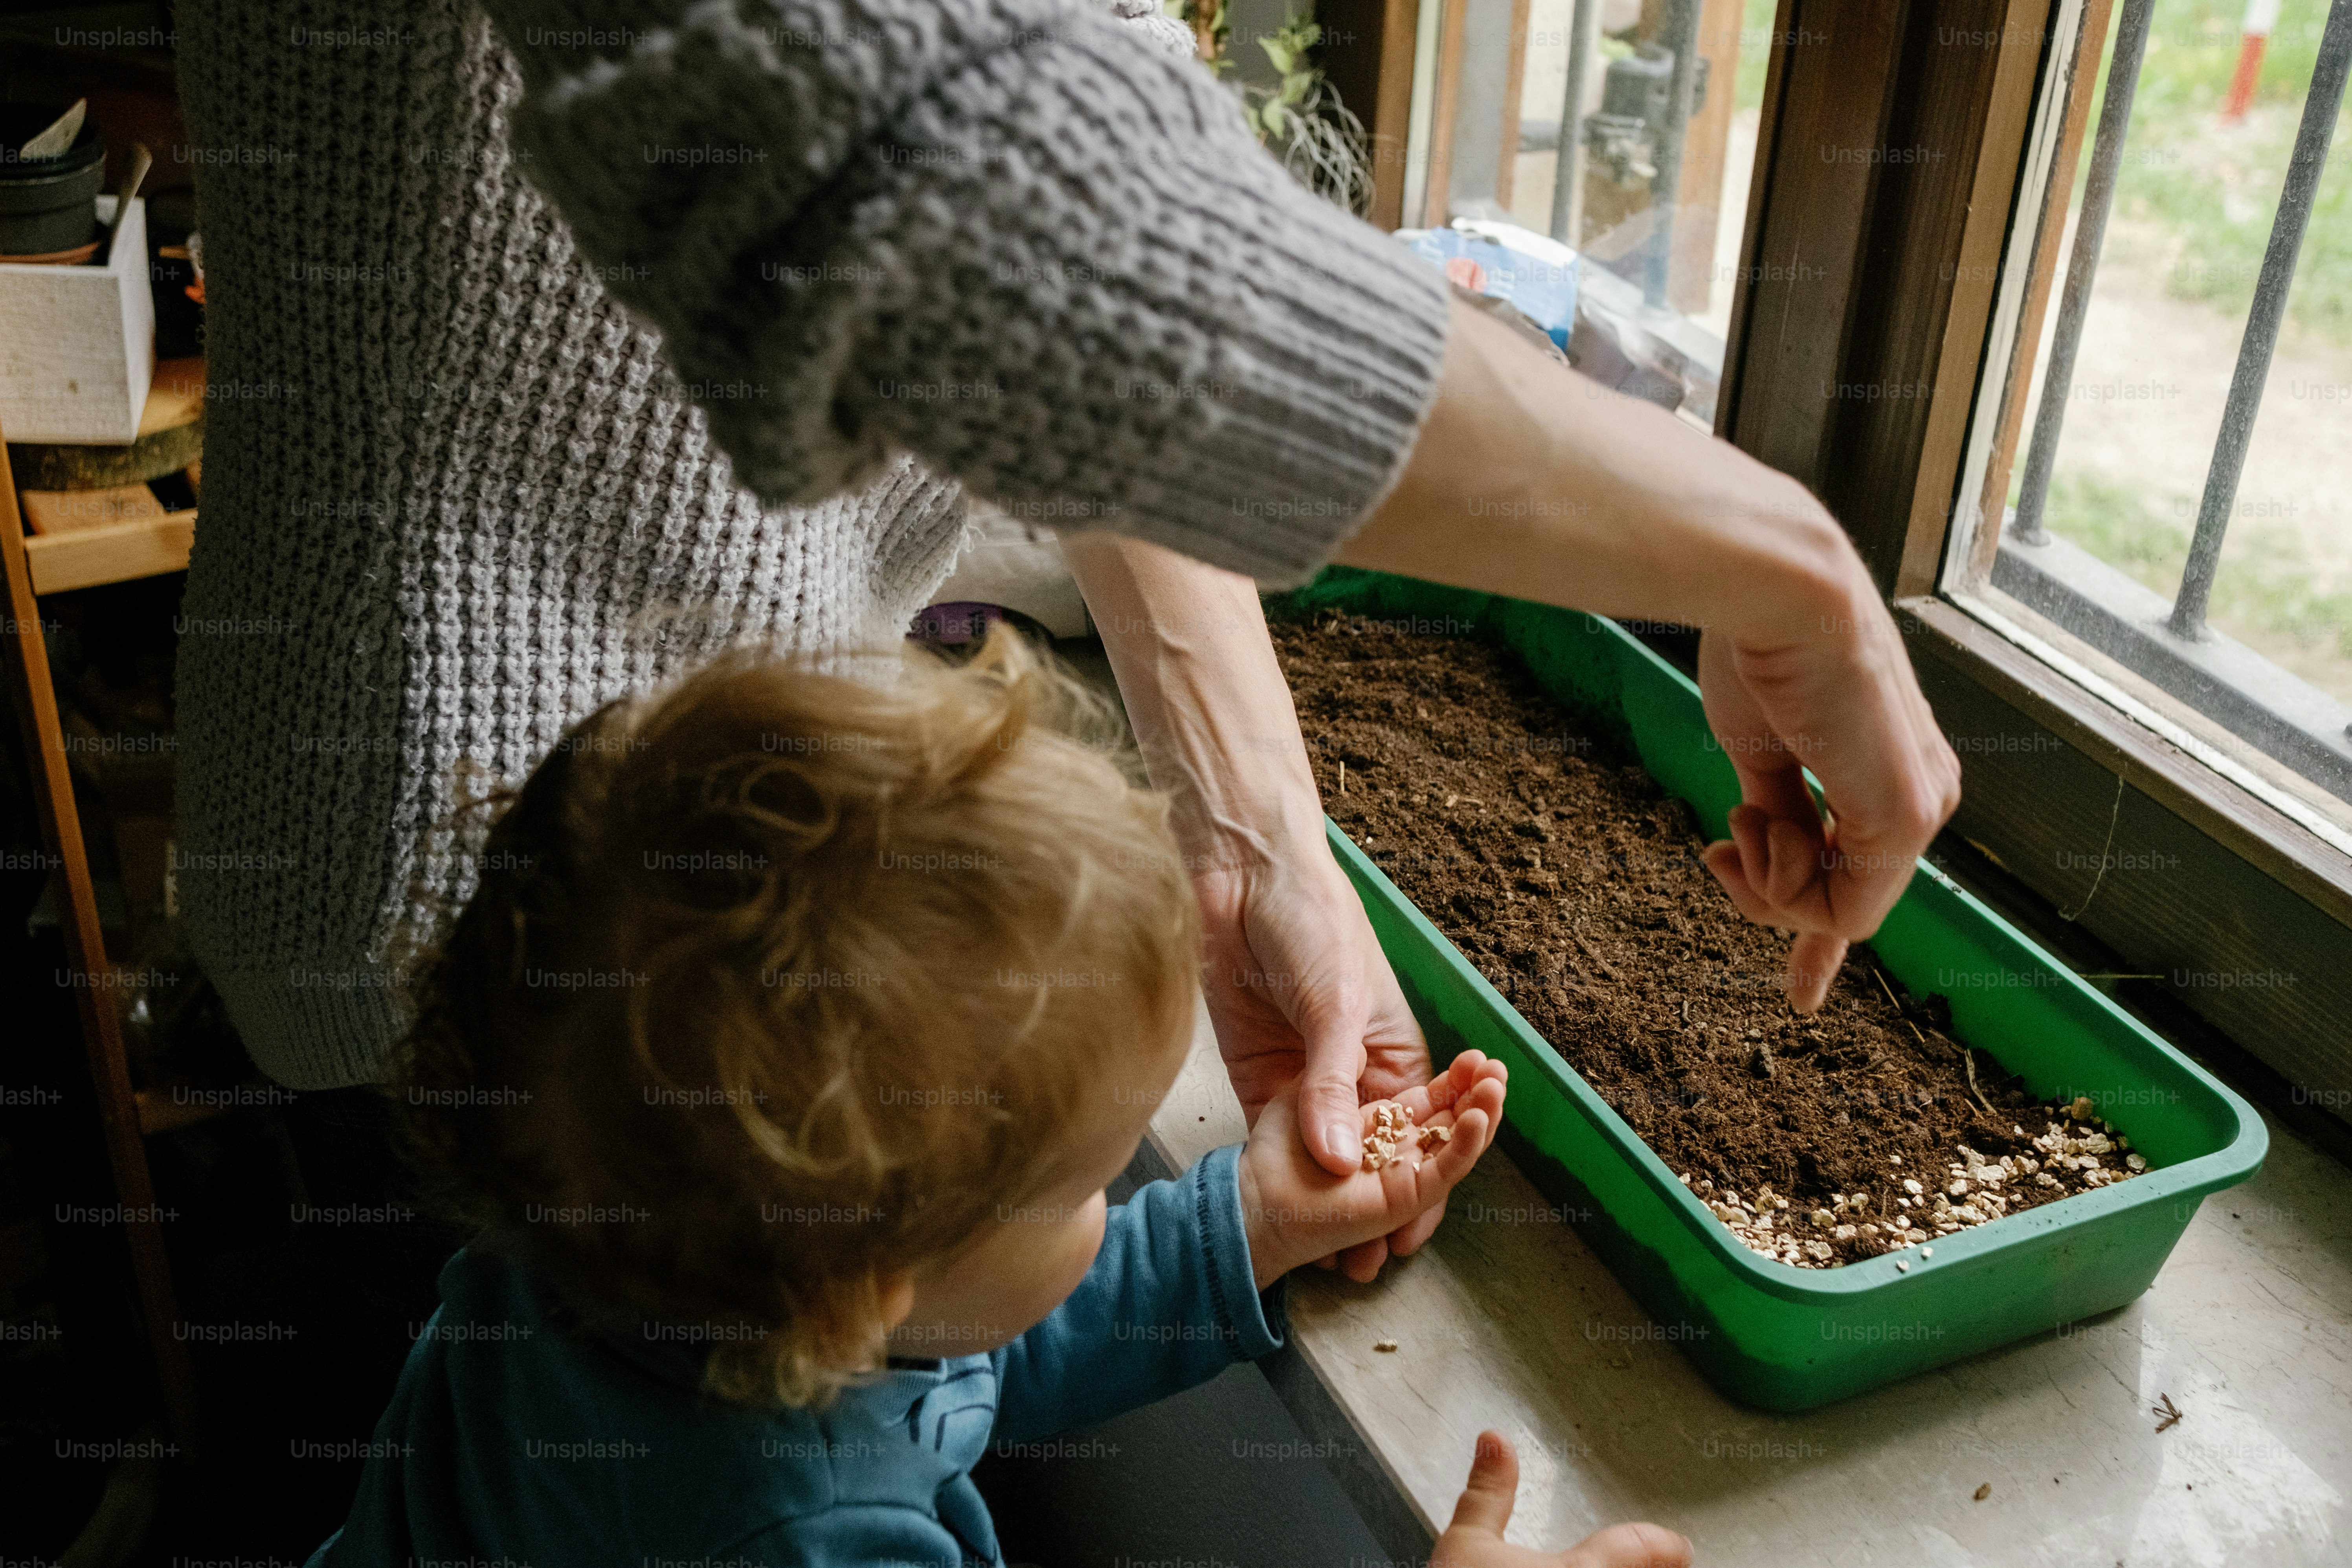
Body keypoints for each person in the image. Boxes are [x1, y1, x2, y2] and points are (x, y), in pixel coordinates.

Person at [171, 0, 1956, 1383]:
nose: (1101, 1200)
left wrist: (1259, 845)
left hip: (745, 860)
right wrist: (1768, 558)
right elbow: (998, 229)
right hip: (475, 889)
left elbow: (939, 1389)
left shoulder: (846, 1349)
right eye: (1082, 1193)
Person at [303, 630, 1687, 1567]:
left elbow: (954, 1350)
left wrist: (1247, 1226)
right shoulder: (812, 1539)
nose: (1113, 1191)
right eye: (1087, 1184)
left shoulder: (588, 1249)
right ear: (857, 1293)